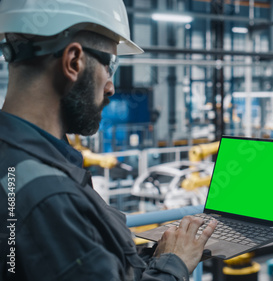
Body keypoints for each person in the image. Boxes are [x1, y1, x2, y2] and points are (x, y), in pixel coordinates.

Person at [0, 0, 217, 280]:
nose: (111, 87)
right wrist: (175, 264)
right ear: (73, 61)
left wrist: (158, 258)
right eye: (110, 66)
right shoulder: (51, 198)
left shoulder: (20, 160)